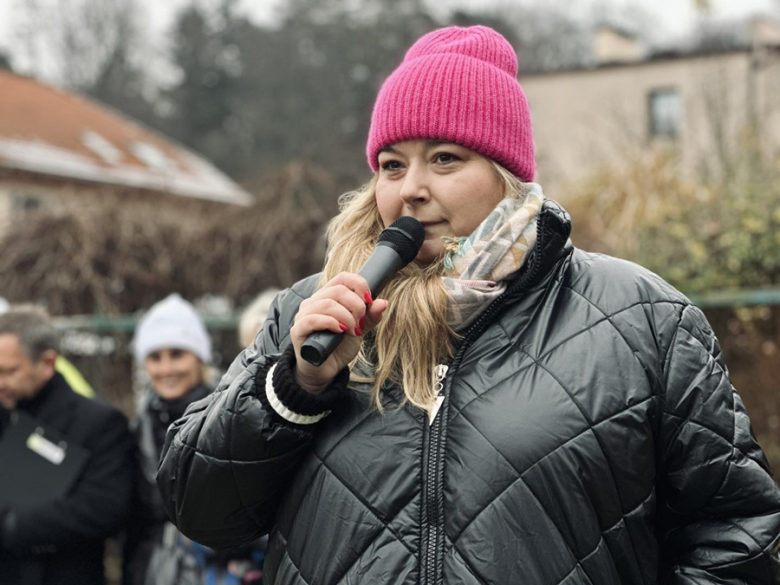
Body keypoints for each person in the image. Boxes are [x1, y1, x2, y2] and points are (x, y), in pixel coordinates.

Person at [157, 26, 780, 584]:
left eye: (445, 159)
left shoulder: (642, 317)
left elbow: (740, 534)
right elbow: (200, 511)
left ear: (506, 172)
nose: (411, 190)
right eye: (392, 165)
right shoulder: (312, 311)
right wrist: (294, 390)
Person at [124, 293, 264, 585]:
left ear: (199, 357)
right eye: (154, 357)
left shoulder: (232, 412)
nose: (166, 369)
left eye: (177, 354)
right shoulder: (140, 427)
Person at [0, 306, 136, 585]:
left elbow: (106, 508)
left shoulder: (100, 423)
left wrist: (13, 525)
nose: (0, 383)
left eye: (9, 371)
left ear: (47, 363)